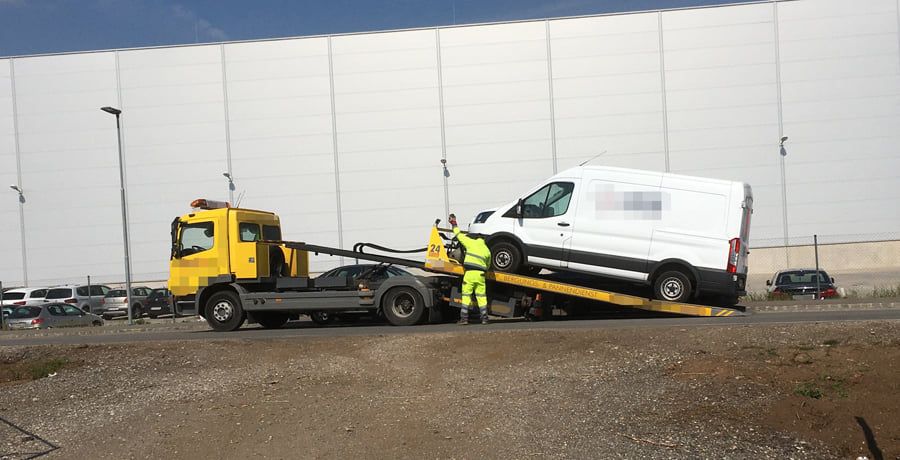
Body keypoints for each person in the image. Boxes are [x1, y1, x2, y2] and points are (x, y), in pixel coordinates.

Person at [449, 214, 491, 325]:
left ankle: (464, 319)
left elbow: (458, 235)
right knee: (481, 297)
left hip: (469, 274)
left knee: (466, 296)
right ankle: (485, 318)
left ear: (476, 237)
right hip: (481, 275)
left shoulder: (470, 243)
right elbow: (488, 265)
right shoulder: (487, 250)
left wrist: (454, 223)